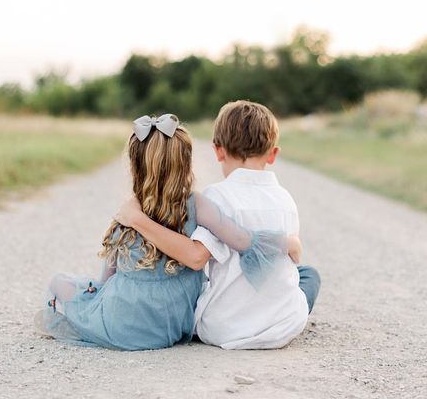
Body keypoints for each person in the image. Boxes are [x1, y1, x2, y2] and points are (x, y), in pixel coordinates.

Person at [34, 113, 299, 351]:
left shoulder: (128, 213)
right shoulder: (199, 205)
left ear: (135, 167)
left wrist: (97, 291)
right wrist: (287, 242)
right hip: (173, 327)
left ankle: (65, 312)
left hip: (120, 322)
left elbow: (106, 280)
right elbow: (244, 240)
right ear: (186, 163)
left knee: (62, 282)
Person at [116, 101, 321, 349]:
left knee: (205, 281)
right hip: (280, 329)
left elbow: (195, 256)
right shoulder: (286, 200)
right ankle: (278, 313)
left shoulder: (216, 197)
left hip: (221, 329)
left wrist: (139, 220)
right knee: (308, 275)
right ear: (273, 154)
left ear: (218, 151)